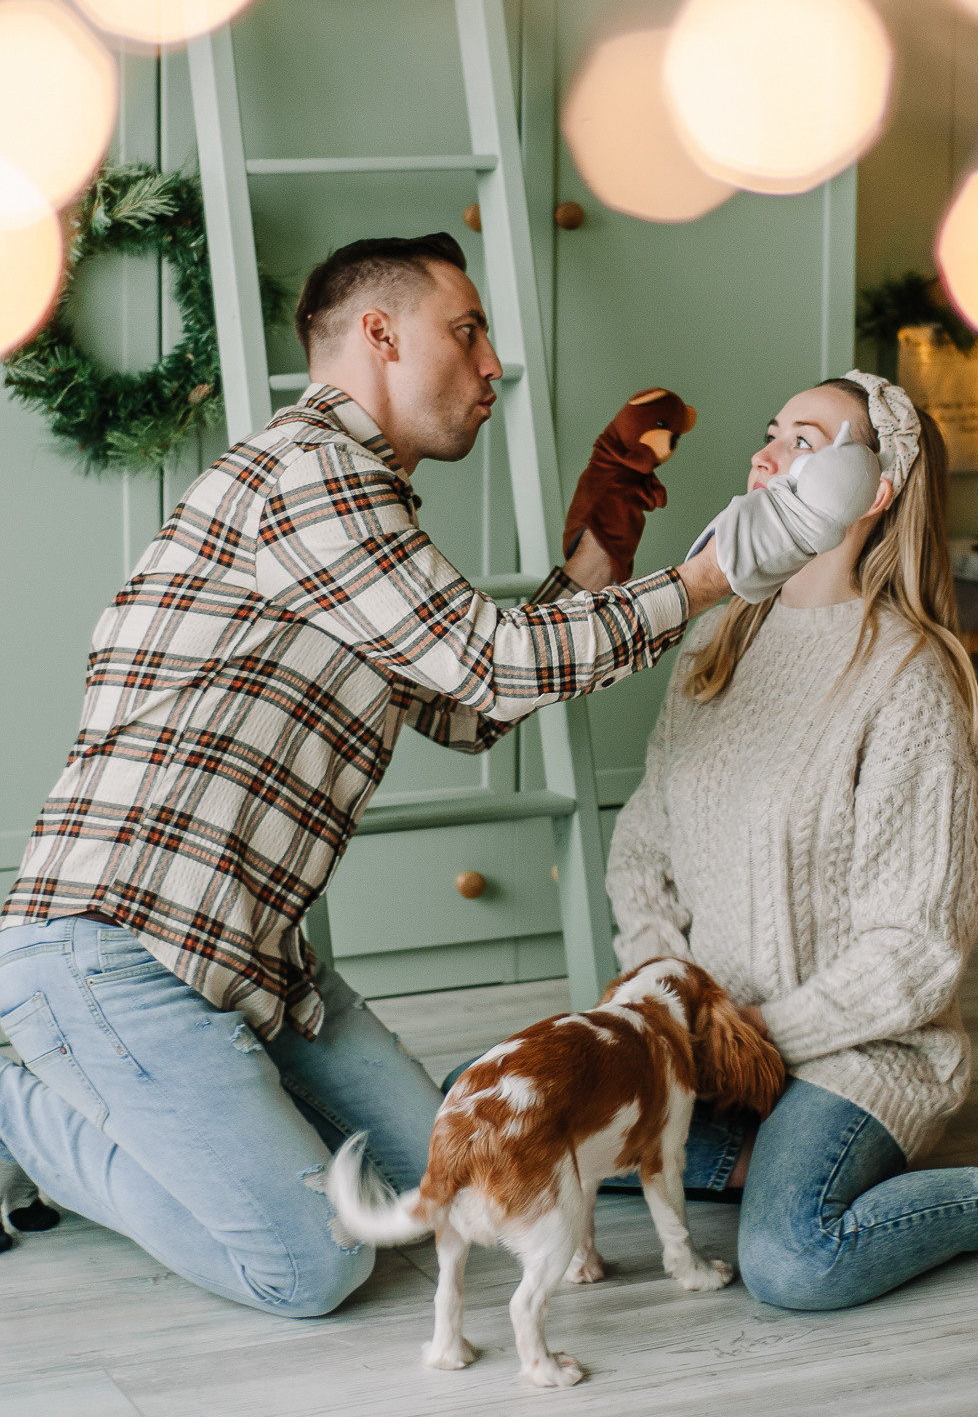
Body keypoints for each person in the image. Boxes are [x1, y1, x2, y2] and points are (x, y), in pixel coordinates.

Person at [0, 232, 875, 1312]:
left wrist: (598, 552)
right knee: (310, 1264)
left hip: (256, 964)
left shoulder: (361, 508)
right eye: (466, 332)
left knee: (447, 1184)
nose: (493, 363)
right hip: (117, 952)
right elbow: (490, 662)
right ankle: (16, 1110)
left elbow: (468, 712)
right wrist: (707, 578)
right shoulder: (310, 473)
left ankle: (172, 1113)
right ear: (379, 334)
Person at [606, 369, 978, 1310]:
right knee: (480, 1098)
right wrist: (668, 1013)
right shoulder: (713, 645)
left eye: (804, 442)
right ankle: (759, 1155)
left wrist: (758, 1039)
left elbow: (917, 951)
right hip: (711, 1047)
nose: (765, 455)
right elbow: (645, 850)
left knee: (794, 1260)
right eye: (771, 430)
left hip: (856, 1053)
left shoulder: (909, 680)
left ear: (875, 491)